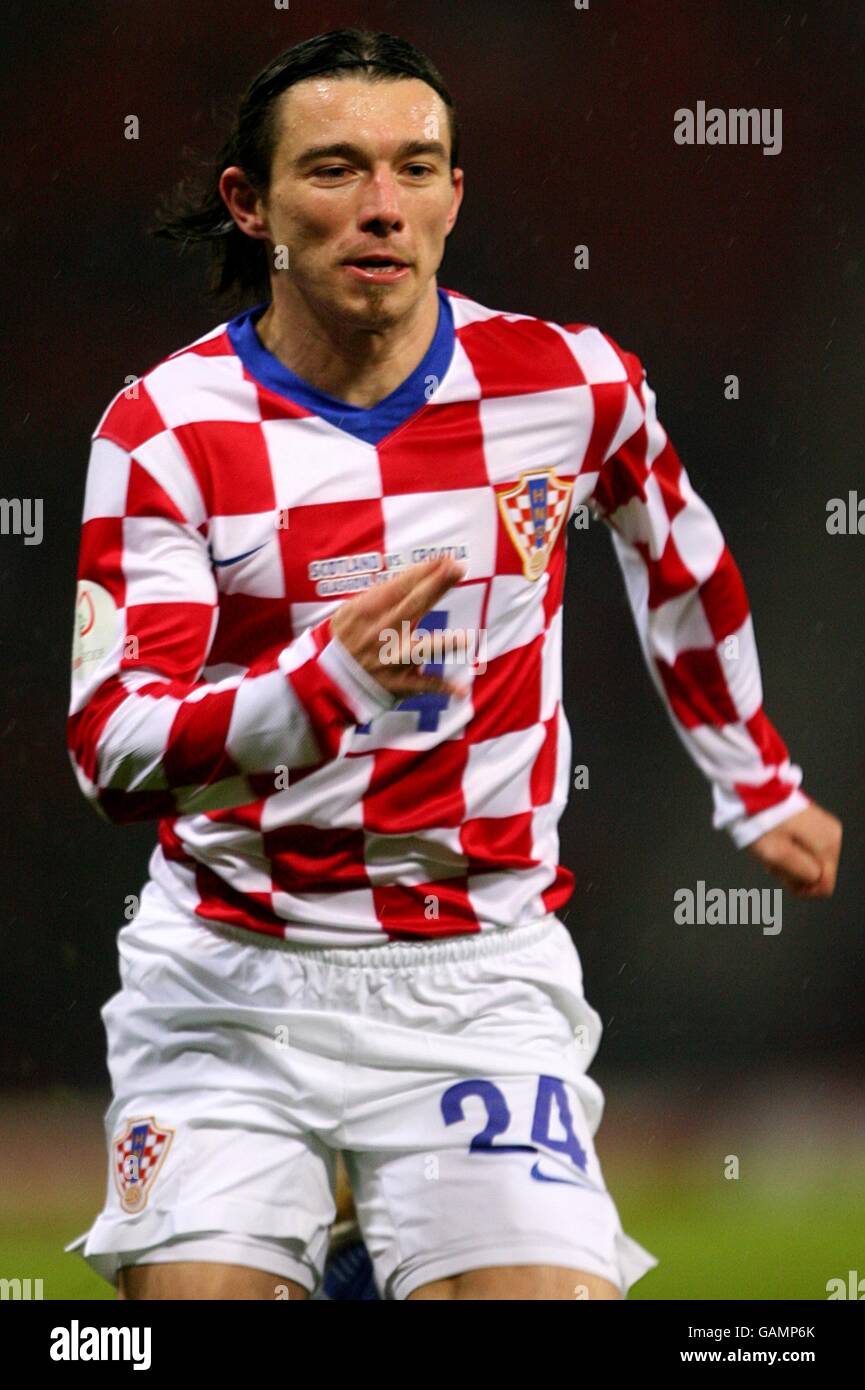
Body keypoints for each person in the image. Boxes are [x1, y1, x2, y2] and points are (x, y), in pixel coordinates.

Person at [65, 27, 842, 1302]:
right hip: (230, 977)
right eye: (334, 169)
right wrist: (324, 689)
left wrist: (754, 778)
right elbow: (115, 752)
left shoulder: (568, 385)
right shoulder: (168, 430)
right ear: (249, 205)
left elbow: (682, 560)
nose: (382, 206)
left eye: (414, 167)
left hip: (472, 974)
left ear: (454, 194)